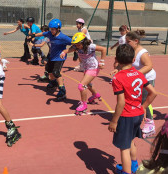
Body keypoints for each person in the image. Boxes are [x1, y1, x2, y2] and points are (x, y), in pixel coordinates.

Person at [109, 44, 157, 174]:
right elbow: (153, 93)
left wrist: (114, 121)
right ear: (134, 58)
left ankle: (126, 171)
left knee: (124, 148)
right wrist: (143, 107)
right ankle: (134, 165)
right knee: (130, 140)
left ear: (116, 60)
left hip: (126, 116)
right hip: (138, 114)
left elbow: (121, 103)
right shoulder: (138, 73)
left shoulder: (118, 78)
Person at [111, 30, 157, 138]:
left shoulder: (142, 52)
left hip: (147, 78)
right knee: (137, 99)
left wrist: (134, 75)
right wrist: (118, 69)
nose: (126, 43)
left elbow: (149, 66)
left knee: (145, 100)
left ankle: (150, 123)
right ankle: (139, 119)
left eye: (128, 41)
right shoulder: (130, 51)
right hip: (137, 79)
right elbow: (127, 63)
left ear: (136, 41)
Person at [61, 32, 106, 114]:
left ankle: (84, 105)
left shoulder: (90, 46)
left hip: (94, 68)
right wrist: (63, 52)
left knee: (82, 86)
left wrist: (102, 62)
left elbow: (104, 49)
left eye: (78, 44)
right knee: (88, 84)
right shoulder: (77, 47)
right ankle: (96, 95)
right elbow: (67, 50)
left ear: (83, 42)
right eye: (75, 45)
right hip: (87, 67)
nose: (76, 46)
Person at [31, 19, 71, 100]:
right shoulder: (49, 33)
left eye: (53, 29)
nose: (51, 31)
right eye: (50, 29)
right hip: (52, 56)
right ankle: (53, 83)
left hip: (60, 58)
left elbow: (75, 44)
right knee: (49, 70)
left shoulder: (63, 37)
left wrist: (67, 51)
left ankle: (62, 90)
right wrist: (33, 35)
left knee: (56, 72)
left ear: (58, 29)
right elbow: (42, 33)